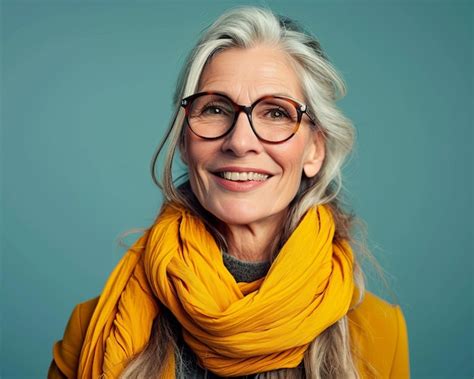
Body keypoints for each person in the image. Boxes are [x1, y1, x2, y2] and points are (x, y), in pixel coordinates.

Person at [48, 6, 409, 379]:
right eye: (216, 109)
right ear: (185, 141)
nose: (239, 141)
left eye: (276, 113)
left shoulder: (382, 336)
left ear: (315, 149)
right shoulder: (92, 329)